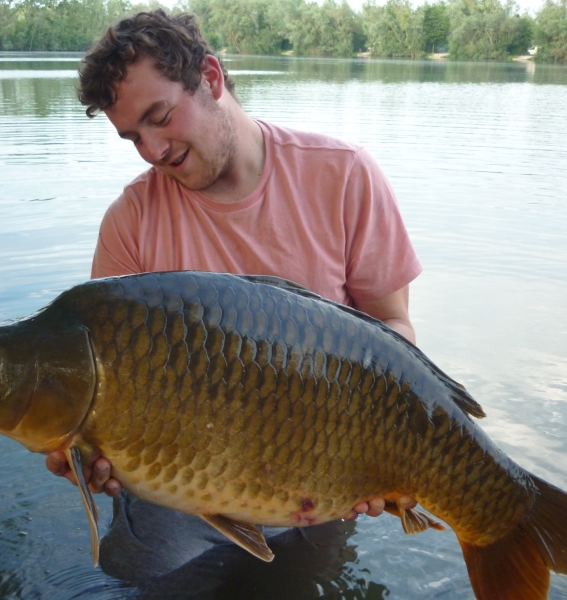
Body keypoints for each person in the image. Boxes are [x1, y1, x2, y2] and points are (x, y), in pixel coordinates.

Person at [45, 8, 420, 568]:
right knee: (151, 578)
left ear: (211, 78)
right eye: (132, 137)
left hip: (321, 476)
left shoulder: (343, 176)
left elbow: (394, 328)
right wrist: (86, 451)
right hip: (180, 492)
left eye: (160, 116)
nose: (152, 150)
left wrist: (380, 452)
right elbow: (102, 380)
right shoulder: (130, 222)